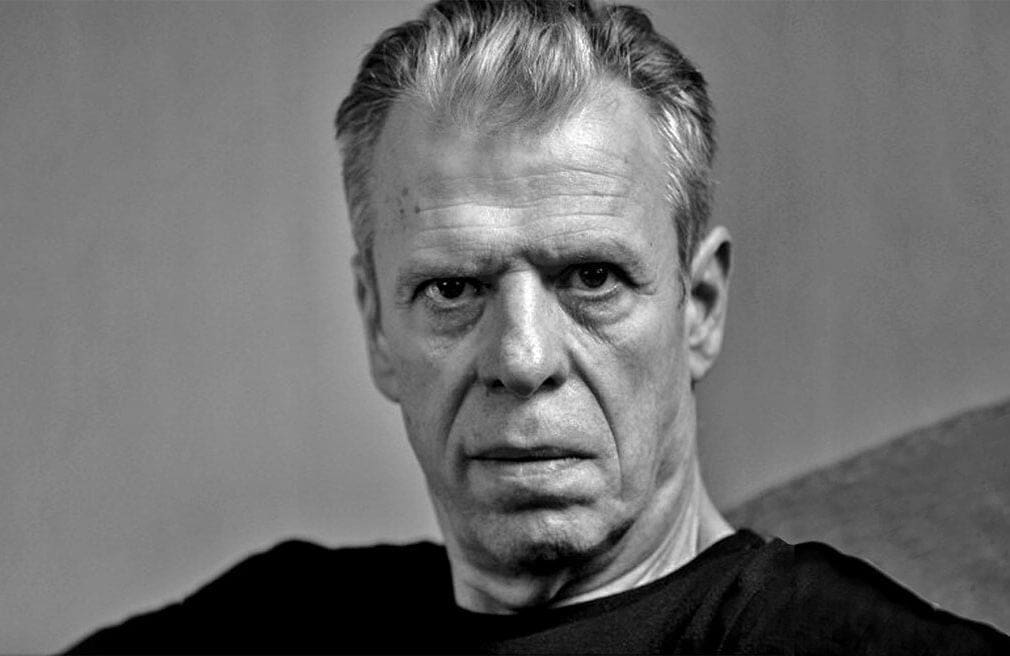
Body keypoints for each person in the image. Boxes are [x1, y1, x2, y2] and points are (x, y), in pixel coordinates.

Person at [68, 1, 1009, 653]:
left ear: (700, 307)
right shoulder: (274, 618)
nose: (521, 358)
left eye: (592, 279)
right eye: (452, 290)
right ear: (376, 324)